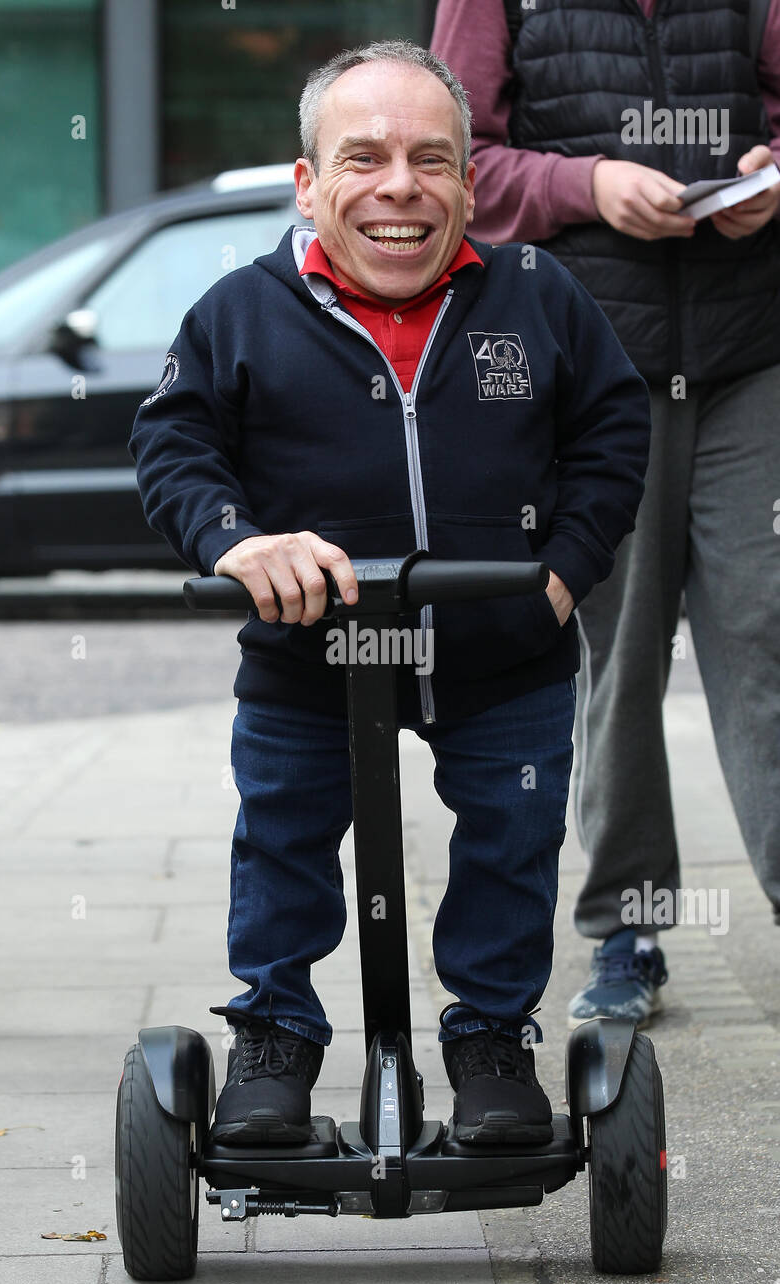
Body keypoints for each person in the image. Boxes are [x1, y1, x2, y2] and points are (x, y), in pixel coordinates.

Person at [129, 40, 650, 1148]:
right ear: (308, 183)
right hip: (306, 649)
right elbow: (174, 446)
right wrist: (234, 541)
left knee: (511, 838)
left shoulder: (536, 294)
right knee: (282, 837)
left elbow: (612, 429)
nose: (400, 187)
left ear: (470, 179)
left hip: (503, 645)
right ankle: (274, 1034)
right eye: (361, 158)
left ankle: (490, 1039)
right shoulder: (240, 311)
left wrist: (561, 574)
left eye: (432, 158)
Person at [432, 0, 780, 1028]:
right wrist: (588, 184)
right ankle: (627, 923)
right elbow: (463, 162)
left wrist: (765, 177)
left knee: (764, 631)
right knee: (619, 654)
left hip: (750, 353)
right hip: (597, 366)